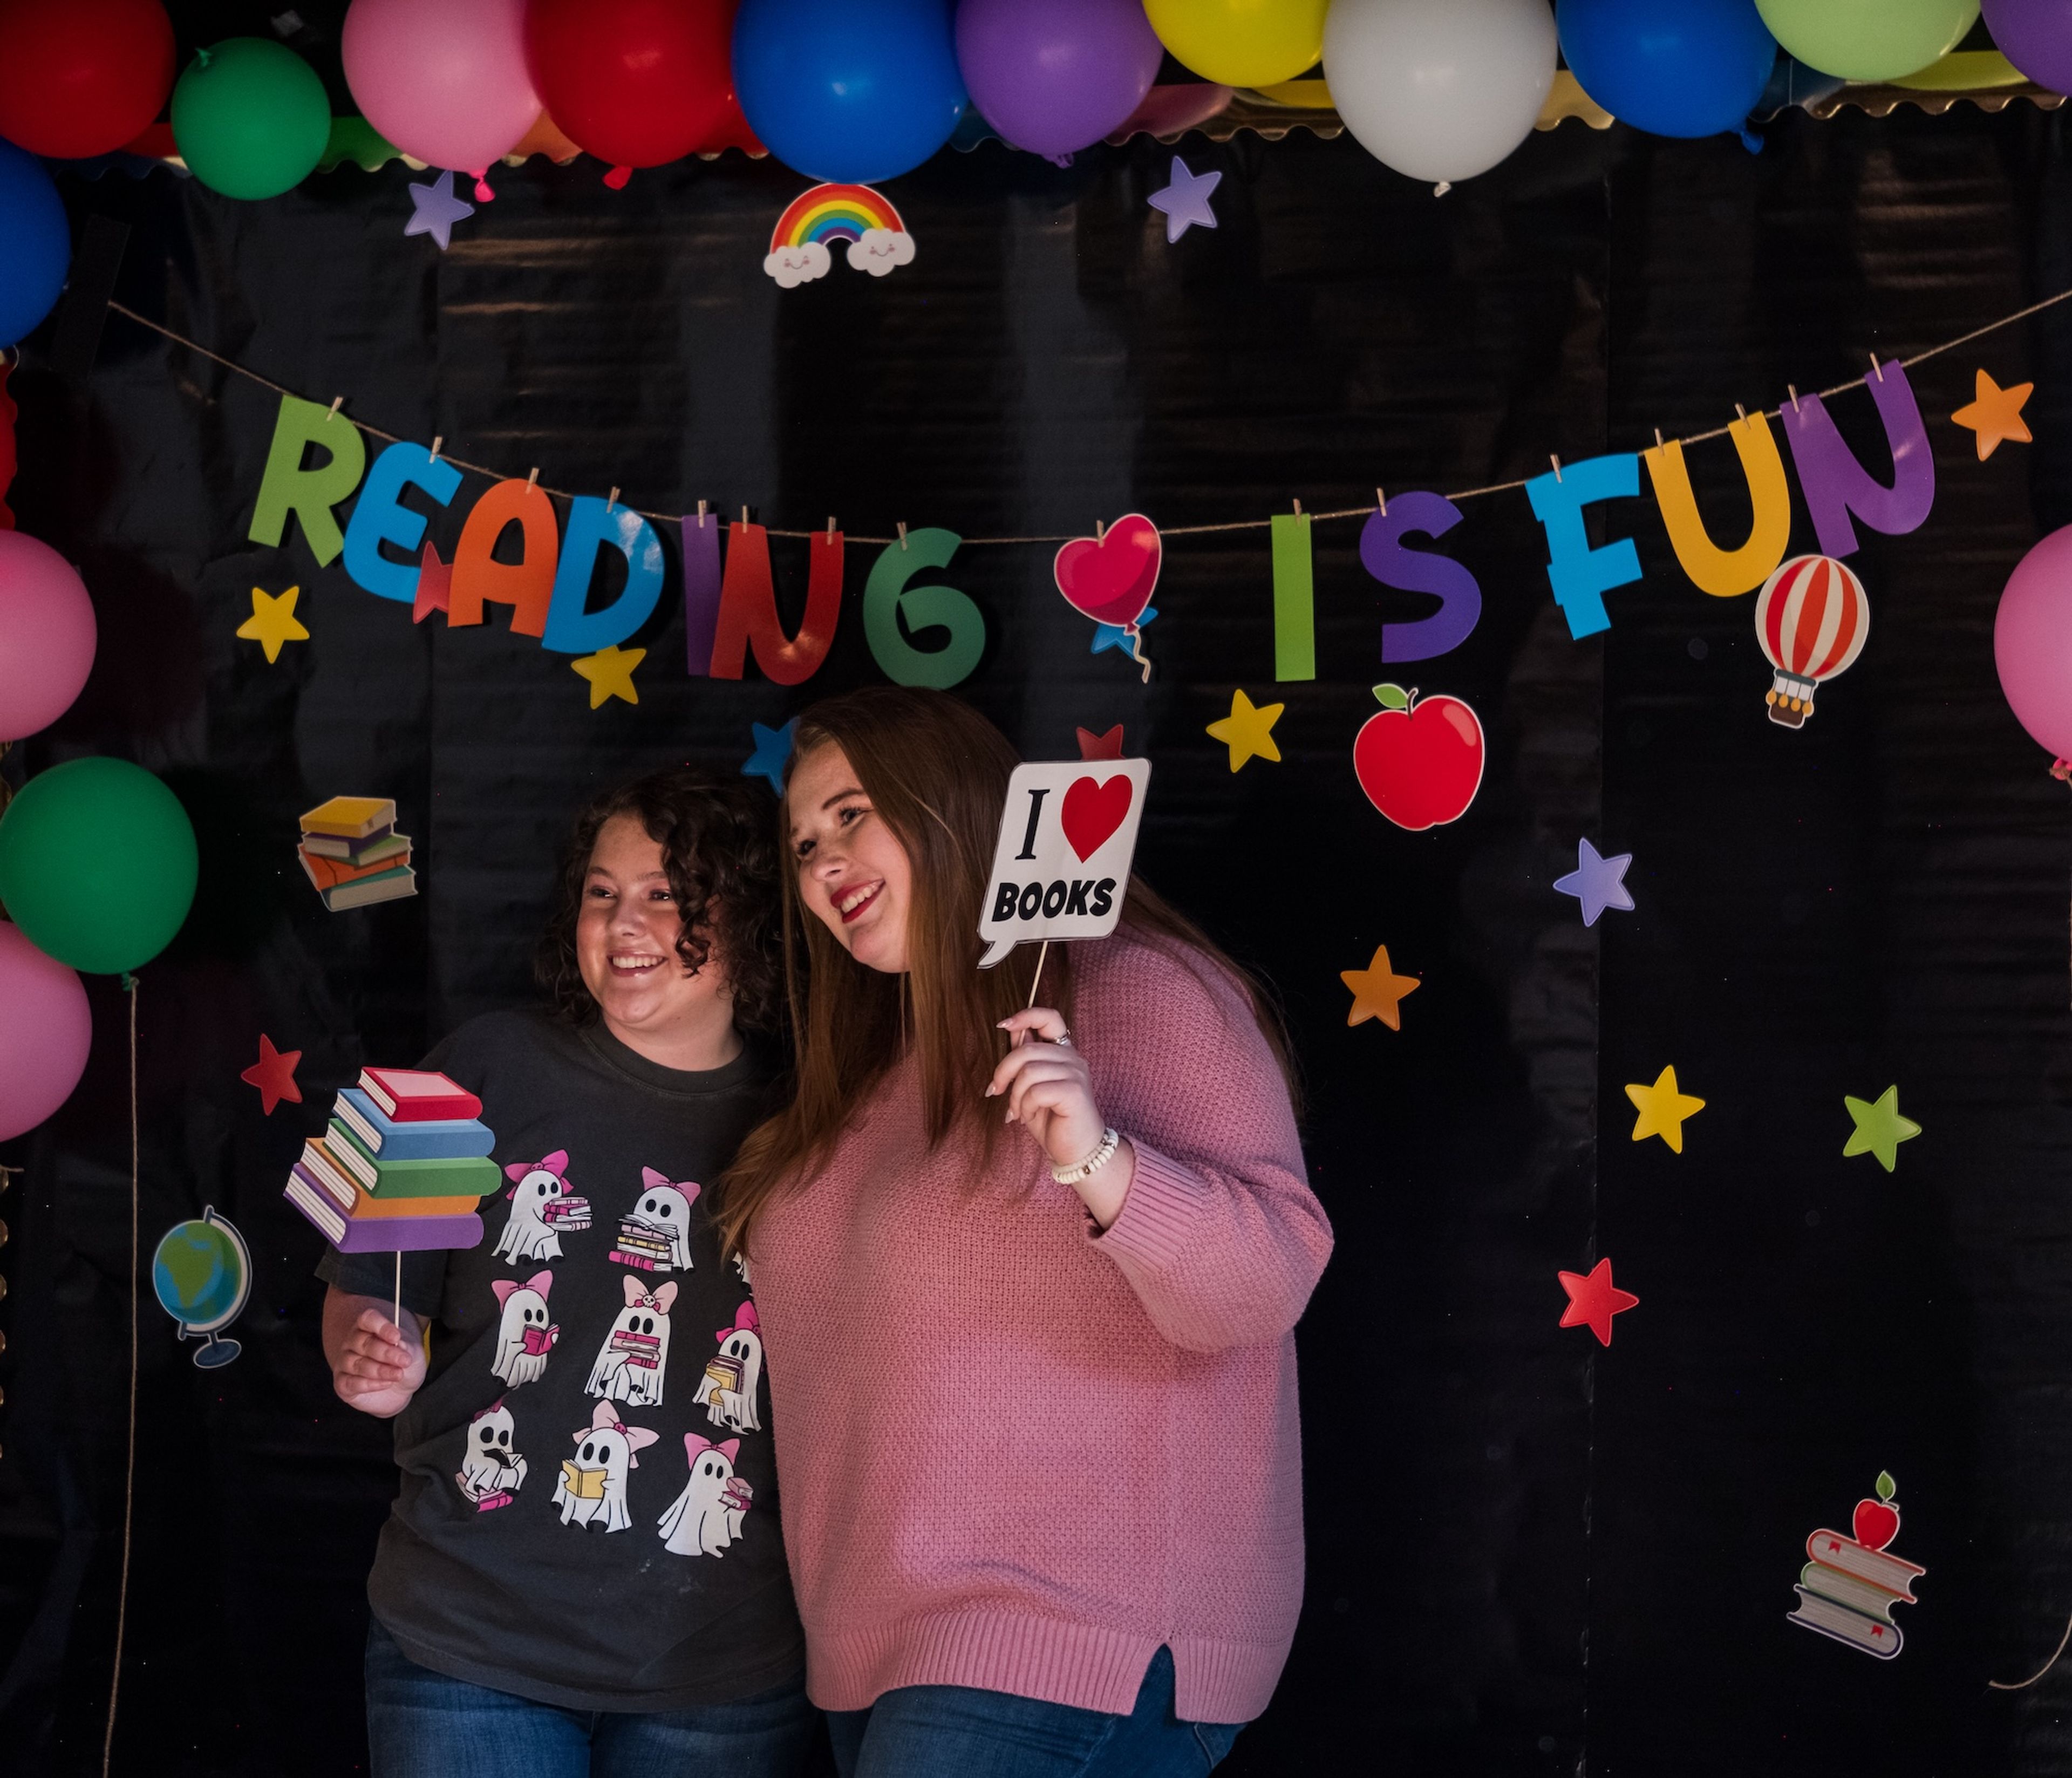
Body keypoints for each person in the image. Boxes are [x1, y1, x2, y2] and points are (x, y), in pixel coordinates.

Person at [718, 687, 1333, 1778]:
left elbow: (1265, 1282)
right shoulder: (873, 1077)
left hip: (1072, 1633)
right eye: (804, 841)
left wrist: (1099, 1158)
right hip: (874, 1652)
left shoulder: (1137, 986)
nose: (821, 863)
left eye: (853, 813)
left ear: (952, 805)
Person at [319, 768, 816, 1778]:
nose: (625, 922)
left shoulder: (815, 1111)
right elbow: (365, 1284)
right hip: (468, 1645)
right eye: (602, 892)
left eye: (665, 892)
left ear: (748, 917)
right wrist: (368, 1356)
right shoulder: (479, 1066)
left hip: (720, 1672)